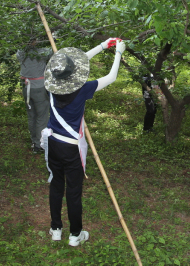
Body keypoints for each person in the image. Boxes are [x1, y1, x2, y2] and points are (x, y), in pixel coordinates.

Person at [40, 38, 125, 247]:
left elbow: (73, 64)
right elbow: (111, 77)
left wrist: (102, 46)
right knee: (74, 191)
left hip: (53, 143)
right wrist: (118, 53)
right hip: (71, 148)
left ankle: (56, 229)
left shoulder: (52, 85)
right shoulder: (83, 89)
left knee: (56, 186)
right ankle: (75, 235)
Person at [17, 41, 53, 153]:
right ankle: (39, 145)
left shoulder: (21, 52)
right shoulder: (42, 52)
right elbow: (52, 53)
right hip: (39, 88)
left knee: (31, 115)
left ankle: (34, 141)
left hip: (26, 87)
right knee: (41, 116)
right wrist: (53, 39)